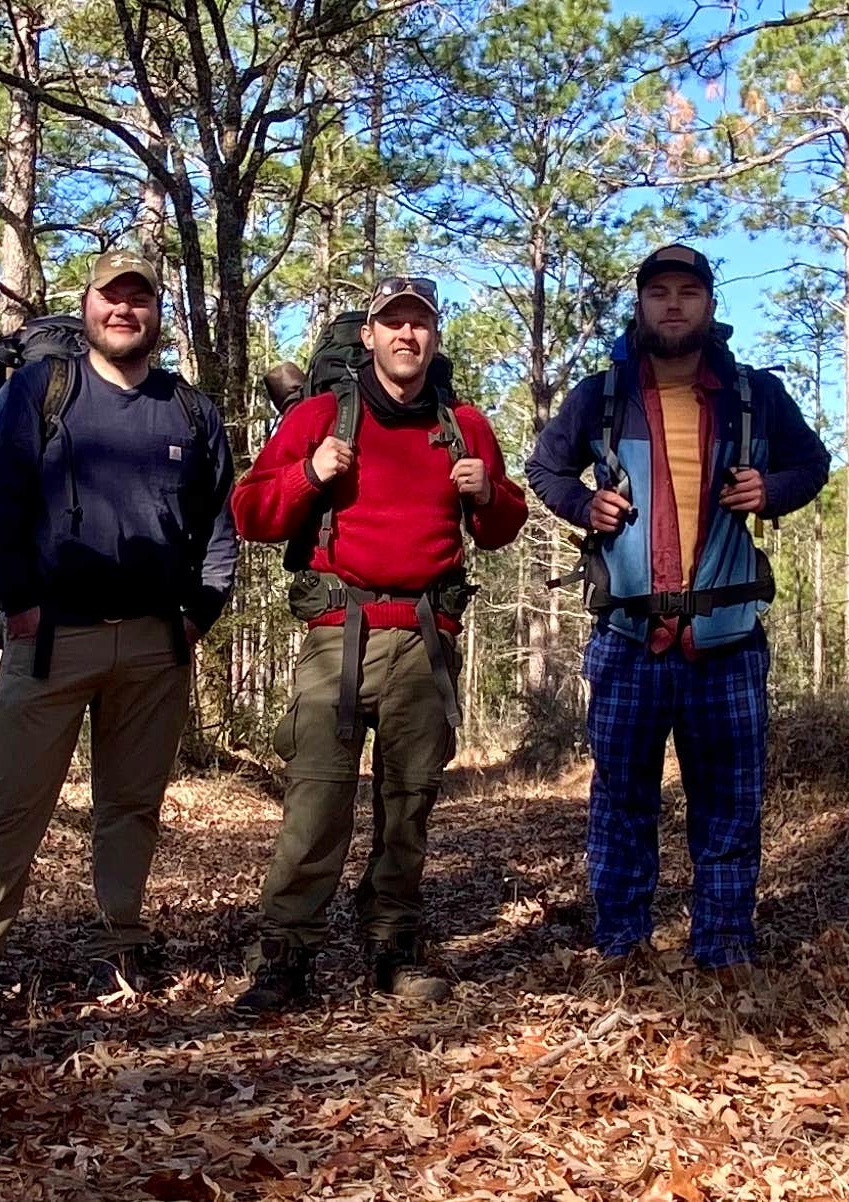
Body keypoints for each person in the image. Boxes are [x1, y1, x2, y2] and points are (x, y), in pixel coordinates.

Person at [0, 249, 237, 1002]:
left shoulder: (189, 409)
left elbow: (219, 524)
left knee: (131, 805)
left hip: (156, 644)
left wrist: (198, 613)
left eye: (139, 299)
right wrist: (18, 599)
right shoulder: (42, 390)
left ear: (158, 313)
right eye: (110, 297)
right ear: (88, 304)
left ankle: (121, 942)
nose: (123, 310)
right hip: (51, 636)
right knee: (11, 798)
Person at [525, 245, 832, 983]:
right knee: (621, 803)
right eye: (658, 291)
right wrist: (584, 504)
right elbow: (544, 468)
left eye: (686, 292)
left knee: (729, 805)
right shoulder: (601, 396)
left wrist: (771, 489)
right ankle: (622, 946)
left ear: (709, 306)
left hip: (727, 638)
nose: (672, 304)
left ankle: (722, 949)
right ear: (640, 305)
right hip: (628, 637)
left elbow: (812, 463)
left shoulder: (753, 395)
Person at [226, 276, 527, 1014]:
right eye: (392, 323)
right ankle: (285, 955)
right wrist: (309, 473)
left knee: (408, 805)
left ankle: (392, 946)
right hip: (338, 635)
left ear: (434, 336)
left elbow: (501, 527)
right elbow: (251, 512)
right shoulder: (321, 417)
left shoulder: (463, 425)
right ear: (368, 336)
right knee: (315, 803)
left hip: (426, 641)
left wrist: (487, 493)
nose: (405, 335)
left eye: (418, 323)